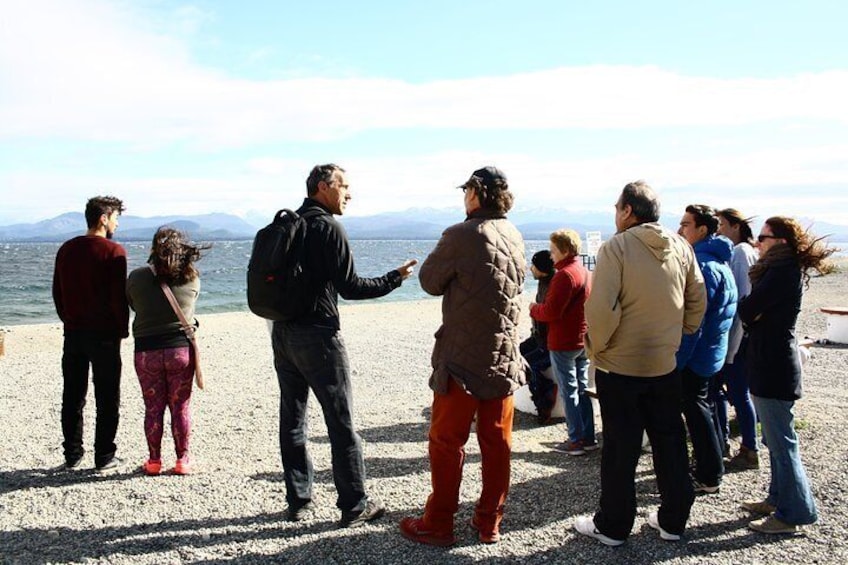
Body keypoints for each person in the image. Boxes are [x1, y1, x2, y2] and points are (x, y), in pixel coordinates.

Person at [272, 164, 416, 526]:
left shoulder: (288, 223)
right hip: (318, 336)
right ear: (324, 187)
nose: (349, 194)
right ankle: (354, 505)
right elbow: (351, 287)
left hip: (282, 333)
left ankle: (299, 501)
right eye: (345, 187)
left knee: (293, 420)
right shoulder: (328, 227)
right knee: (340, 422)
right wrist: (394, 278)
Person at [399, 166, 526, 547]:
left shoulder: (460, 234)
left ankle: (438, 522)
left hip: (462, 359)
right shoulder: (515, 233)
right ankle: (489, 522)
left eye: (466, 190)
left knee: (446, 441)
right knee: (497, 443)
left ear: (475, 194)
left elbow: (429, 281)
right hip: (503, 354)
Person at [574, 181, 706, 546]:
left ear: (628, 211)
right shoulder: (680, 246)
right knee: (670, 442)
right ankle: (673, 521)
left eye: (617, 207)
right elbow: (697, 297)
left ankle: (614, 526)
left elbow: (601, 309)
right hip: (664, 363)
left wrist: (597, 350)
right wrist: (681, 332)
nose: (615, 214)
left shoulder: (616, 247)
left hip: (620, 366)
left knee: (621, 447)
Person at [739, 216, 832, 535]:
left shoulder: (781, 272)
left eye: (762, 238)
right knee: (775, 439)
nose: (757, 243)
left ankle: (794, 512)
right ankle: (777, 499)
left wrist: (751, 311)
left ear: (778, 241)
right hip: (772, 363)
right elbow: (753, 311)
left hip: (773, 366)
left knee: (782, 443)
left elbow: (748, 310)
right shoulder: (781, 271)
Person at [52, 196, 129, 472]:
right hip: (105, 335)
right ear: (103, 218)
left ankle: (72, 454)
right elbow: (118, 298)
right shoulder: (114, 251)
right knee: (107, 397)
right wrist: (122, 329)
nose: (117, 223)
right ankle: (104, 455)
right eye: (116, 217)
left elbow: (57, 292)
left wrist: (69, 319)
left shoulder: (66, 249)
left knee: (73, 396)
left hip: (73, 332)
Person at [126, 227, 208, 476]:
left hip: (146, 351)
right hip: (179, 351)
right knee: (180, 407)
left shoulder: (137, 277)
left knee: (153, 408)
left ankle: (154, 461)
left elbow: (132, 303)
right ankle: (182, 460)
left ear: (153, 249)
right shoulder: (191, 278)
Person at [676, 205, 737, 494]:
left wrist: (679, 359)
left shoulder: (703, 266)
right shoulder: (719, 262)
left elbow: (693, 321)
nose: (680, 230)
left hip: (697, 356)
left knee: (697, 410)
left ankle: (709, 473)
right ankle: (710, 465)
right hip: (712, 352)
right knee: (705, 407)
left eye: (686, 225)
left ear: (702, 230)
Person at [530, 229, 594, 455]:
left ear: (564, 250)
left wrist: (533, 309)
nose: (551, 255)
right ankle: (588, 436)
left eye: (553, 250)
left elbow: (551, 311)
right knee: (582, 388)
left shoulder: (564, 275)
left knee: (570, 391)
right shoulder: (584, 270)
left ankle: (575, 440)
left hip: (564, 341)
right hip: (581, 339)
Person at [716, 208, 760, 470]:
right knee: (733, 391)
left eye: (722, 224)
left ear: (735, 226)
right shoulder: (748, 250)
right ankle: (736, 444)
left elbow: (742, 295)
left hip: (738, 335)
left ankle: (748, 447)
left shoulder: (741, 252)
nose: (719, 229)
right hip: (741, 334)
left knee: (736, 392)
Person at [520, 250, 558, 424]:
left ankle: (544, 401)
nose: (530, 268)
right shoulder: (542, 282)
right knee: (514, 355)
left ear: (542, 268)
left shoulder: (554, 285)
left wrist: (534, 308)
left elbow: (549, 313)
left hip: (550, 342)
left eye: (534, 266)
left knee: (528, 366)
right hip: (538, 337)